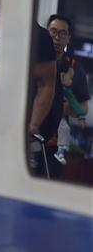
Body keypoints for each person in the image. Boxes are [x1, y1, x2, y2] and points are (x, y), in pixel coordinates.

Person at [47, 15, 89, 166]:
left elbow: (84, 108)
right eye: (53, 31)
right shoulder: (34, 60)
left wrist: (63, 108)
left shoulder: (75, 68)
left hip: (56, 140)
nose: (57, 37)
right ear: (47, 33)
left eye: (62, 33)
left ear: (68, 38)